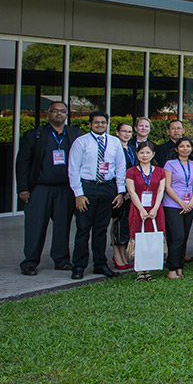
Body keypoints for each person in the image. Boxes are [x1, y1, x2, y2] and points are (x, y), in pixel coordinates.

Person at [16, 101, 79, 275]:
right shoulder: (34, 135)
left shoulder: (74, 134)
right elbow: (22, 163)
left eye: (63, 111)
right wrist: (23, 188)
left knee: (62, 226)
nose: (59, 114)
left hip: (65, 189)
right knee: (35, 226)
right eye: (55, 111)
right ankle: (29, 262)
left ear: (67, 114)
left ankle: (61, 260)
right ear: (48, 114)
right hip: (40, 188)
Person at [67, 112, 126, 280]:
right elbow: (73, 169)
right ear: (90, 124)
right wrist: (78, 194)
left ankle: (100, 264)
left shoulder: (114, 142)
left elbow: (121, 168)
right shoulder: (81, 142)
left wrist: (120, 192)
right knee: (83, 229)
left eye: (103, 122)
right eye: (96, 122)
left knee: (101, 230)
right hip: (88, 188)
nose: (100, 125)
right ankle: (79, 266)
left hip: (107, 188)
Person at [125, 141, 166, 280]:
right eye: (142, 152)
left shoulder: (160, 171)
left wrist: (154, 208)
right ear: (137, 154)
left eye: (148, 152)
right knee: (138, 237)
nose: (145, 155)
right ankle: (139, 270)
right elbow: (131, 191)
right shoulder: (131, 171)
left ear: (153, 154)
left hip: (155, 209)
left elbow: (161, 190)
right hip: (138, 208)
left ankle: (148, 269)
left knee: (152, 236)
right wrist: (141, 209)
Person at [161, 136, 193, 279]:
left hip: (189, 205)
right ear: (176, 149)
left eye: (188, 146)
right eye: (182, 146)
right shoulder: (170, 164)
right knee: (177, 237)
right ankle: (171, 269)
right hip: (172, 205)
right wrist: (181, 203)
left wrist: (190, 203)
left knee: (184, 238)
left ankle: (179, 267)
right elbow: (167, 186)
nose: (185, 149)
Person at [110, 121, 137, 270]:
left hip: (131, 192)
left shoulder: (133, 149)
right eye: (123, 131)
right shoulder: (114, 149)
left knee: (125, 223)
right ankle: (116, 254)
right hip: (118, 191)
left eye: (129, 131)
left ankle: (124, 253)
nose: (127, 134)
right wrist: (122, 191)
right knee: (116, 223)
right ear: (117, 133)